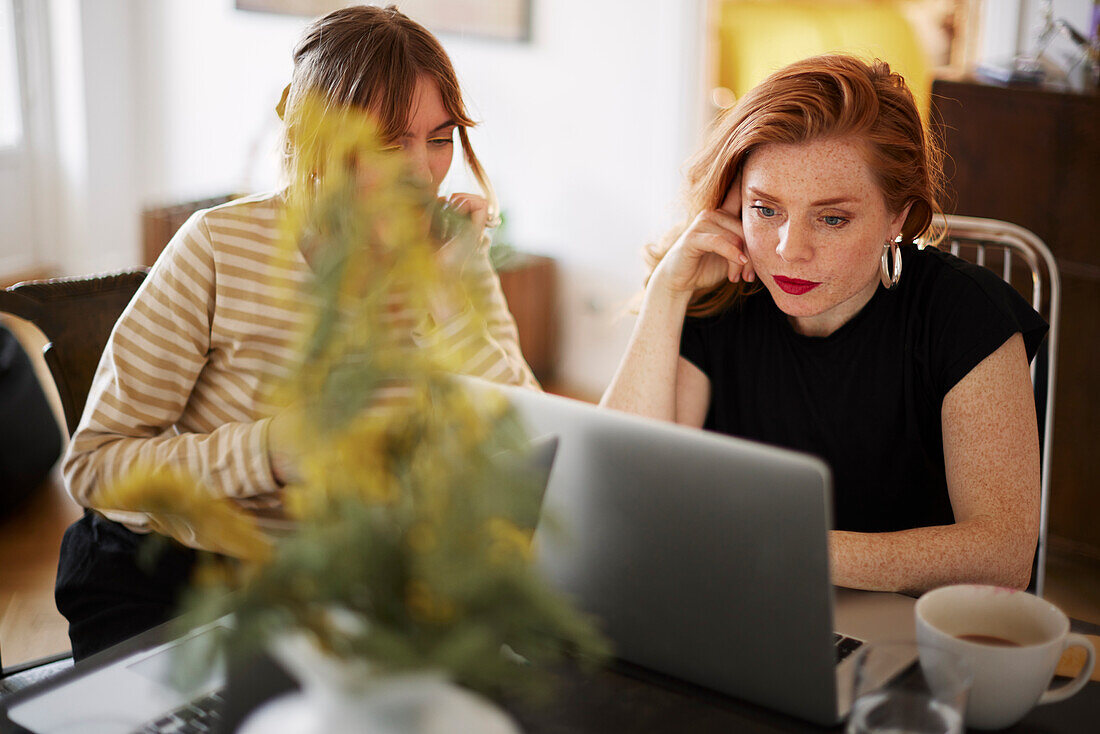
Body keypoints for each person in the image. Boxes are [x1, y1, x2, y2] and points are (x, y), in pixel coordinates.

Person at [56, 5, 538, 661]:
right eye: (389, 143)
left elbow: (524, 441)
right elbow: (95, 467)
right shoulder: (219, 248)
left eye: (440, 137)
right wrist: (274, 453)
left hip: (331, 584)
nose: (424, 171)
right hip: (162, 572)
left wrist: (453, 298)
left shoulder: (452, 255)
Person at [601, 55, 1046, 596]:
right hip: (735, 604)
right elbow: (621, 492)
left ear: (898, 217)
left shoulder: (966, 316)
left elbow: (1002, 555)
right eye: (766, 209)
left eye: (831, 218)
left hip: (900, 635)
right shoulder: (719, 295)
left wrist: (784, 545)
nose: (789, 251)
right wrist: (666, 293)